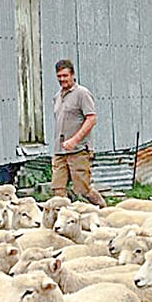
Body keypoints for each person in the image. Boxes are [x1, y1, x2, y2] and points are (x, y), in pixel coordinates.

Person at [51, 59, 106, 207]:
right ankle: (63, 220)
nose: (62, 79)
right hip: (59, 150)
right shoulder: (57, 97)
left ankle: (103, 210)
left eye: (65, 76)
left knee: (82, 190)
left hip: (78, 150)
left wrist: (75, 139)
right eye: (59, 76)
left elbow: (91, 118)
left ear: (72, 75)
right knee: (58, 191)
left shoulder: (82, 93)